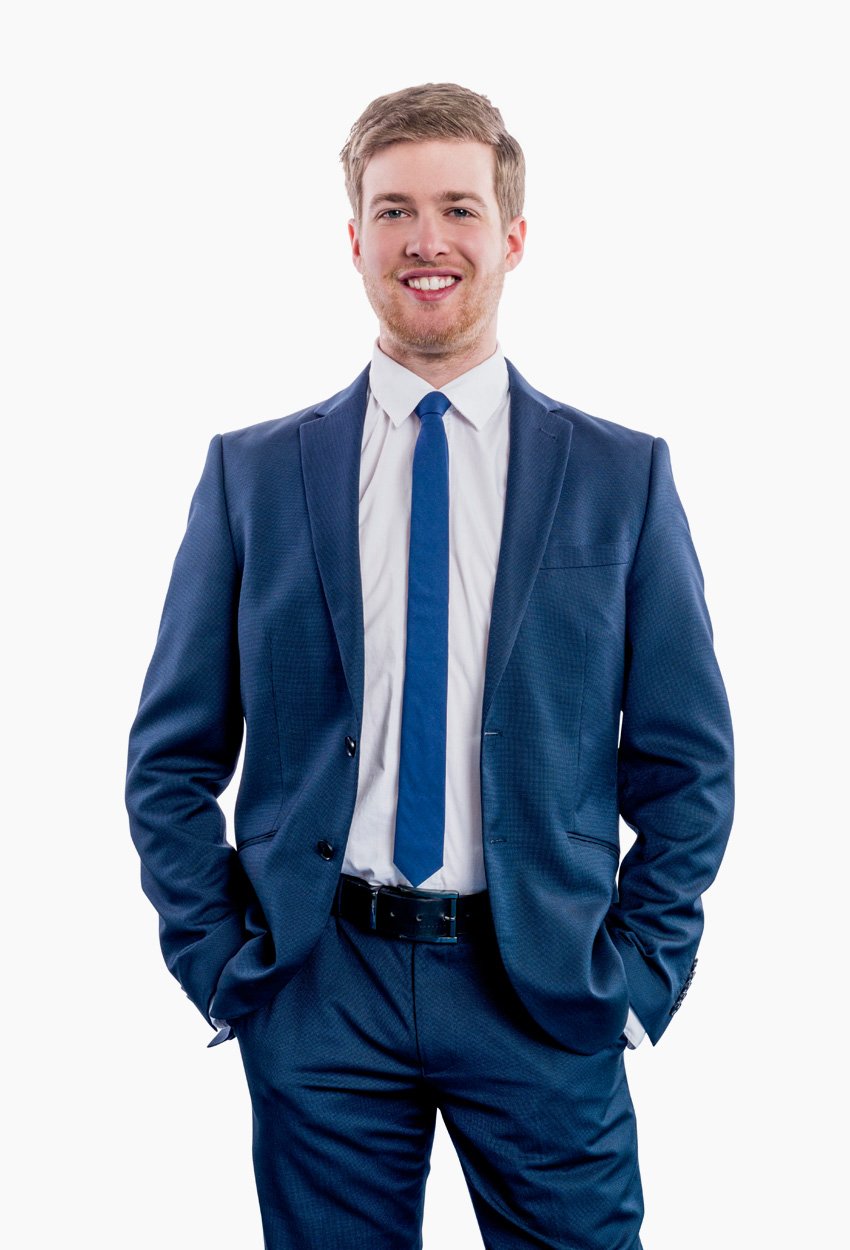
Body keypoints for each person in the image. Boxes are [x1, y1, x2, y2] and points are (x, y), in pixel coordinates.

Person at [126, 82, 734, 1250]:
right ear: (354, 239)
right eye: (393, 210)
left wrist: (640, 974)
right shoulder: (254, 476)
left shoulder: (622, 476)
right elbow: (170, 756)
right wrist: (222, 962)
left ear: (513, 235)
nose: (425, 238)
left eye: (458, 207)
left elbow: (686, 761)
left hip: (542, 986)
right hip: (320, 987)